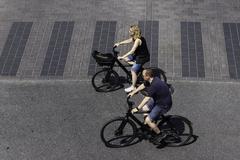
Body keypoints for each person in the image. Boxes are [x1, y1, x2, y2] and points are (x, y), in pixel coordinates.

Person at [128, 68, 172, 141]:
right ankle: (149, 126)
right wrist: (133, 92)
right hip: (158, 100)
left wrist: (137, 108)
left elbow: (146, 98)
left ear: (148, 76)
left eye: (143, 75)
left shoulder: (154, 85)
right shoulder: (152, 79)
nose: (142, 77)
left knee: (148, 120)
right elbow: (143, 85)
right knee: (145, 108)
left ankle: (160, 135)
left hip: (163, 104)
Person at [114, 25, 150, 92]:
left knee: (133, 70)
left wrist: (122, 56)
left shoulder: (138, 40)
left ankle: (133, 87)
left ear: (134, 32)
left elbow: (132, 51)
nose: (129, 31)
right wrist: (119, 43)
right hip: (137, 55)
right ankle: (136, 66)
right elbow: (129, 40)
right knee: (126, 59)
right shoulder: (135, 37)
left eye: (130, 31)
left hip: (142, 57)